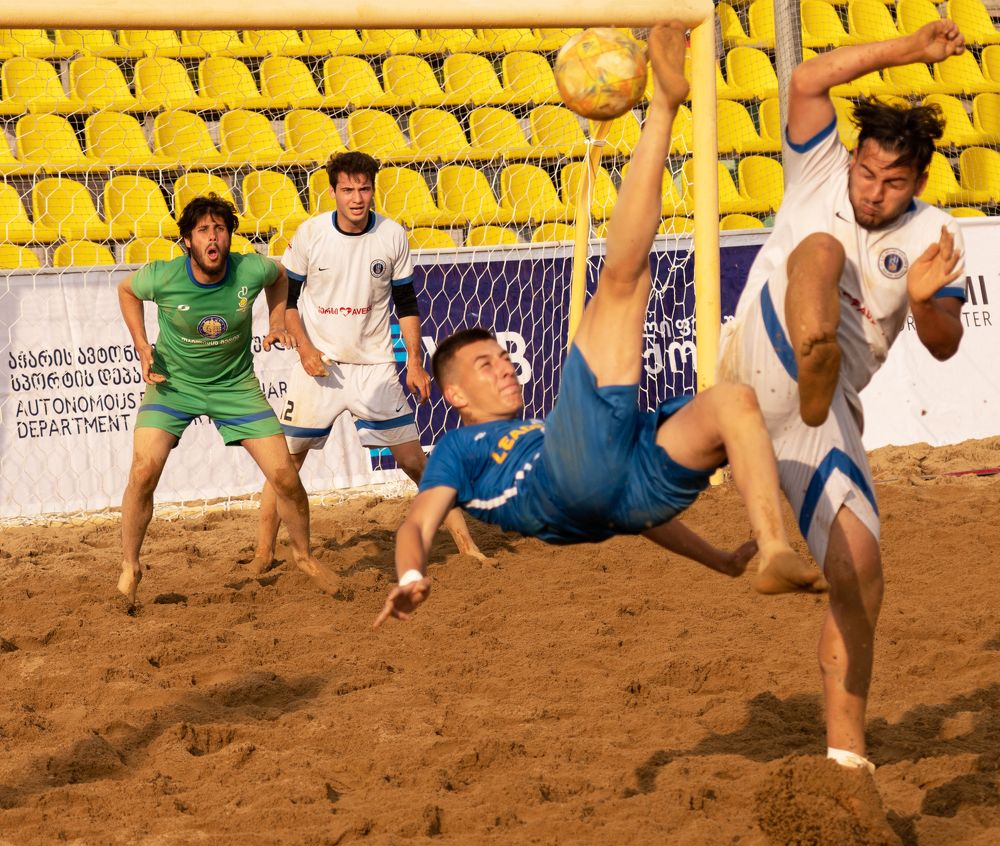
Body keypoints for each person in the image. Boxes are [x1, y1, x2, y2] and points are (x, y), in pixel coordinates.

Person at [375, 22, 825, 629]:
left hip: (627, 493)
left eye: (503, 358)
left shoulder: (538, 431)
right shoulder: (458, 448)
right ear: (453, 395)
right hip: (570, 479)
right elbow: (417, 523)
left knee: (733, 403)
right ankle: (663, 107)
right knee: (620, 282)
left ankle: (773, 549)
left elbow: (629, 512)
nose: (506, 367)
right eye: (486, 365)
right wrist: (410, 575)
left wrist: (719, 560)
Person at [716, 20, 967, 772]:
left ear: (917, 182)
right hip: (757, 361)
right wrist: (908, 49)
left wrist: (924, 303)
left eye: (892, 182)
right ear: (852, 160)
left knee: (861, 573)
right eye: (866, 172)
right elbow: (806, 80)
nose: (872, 189)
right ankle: (814, 346)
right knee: (819, 250)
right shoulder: (818, 172)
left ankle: (845, 759)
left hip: (821, 417)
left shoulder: (933, 233)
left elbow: (947, 343)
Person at [251, 150, 483, 573]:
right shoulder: (310, 234)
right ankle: (263, 553)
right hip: (317, 368)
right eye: (348, 190)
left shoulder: (392, 235)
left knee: (415, 462)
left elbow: (406, 302)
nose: (357, 198)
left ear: (373, 190)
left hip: (374, 368)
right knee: (285, 464)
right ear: (333, 191)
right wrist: (304, 349)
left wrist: (413, 361)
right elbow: (289, 300)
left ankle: (467, 546)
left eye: (364, 189)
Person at [117, 194, 322, 605]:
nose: (214, 237)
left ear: (229, 235)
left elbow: (280, 276)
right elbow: (126, 290)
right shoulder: (163, 276)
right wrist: (141, 344)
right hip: (173, 384)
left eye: (221, 228)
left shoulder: (249, 267)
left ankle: (303, 556)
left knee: (285, 476)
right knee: (143, 472)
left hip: (235, 386)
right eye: (203, 230)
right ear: (188, 241)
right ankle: (130, 566)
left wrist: (277, 320)